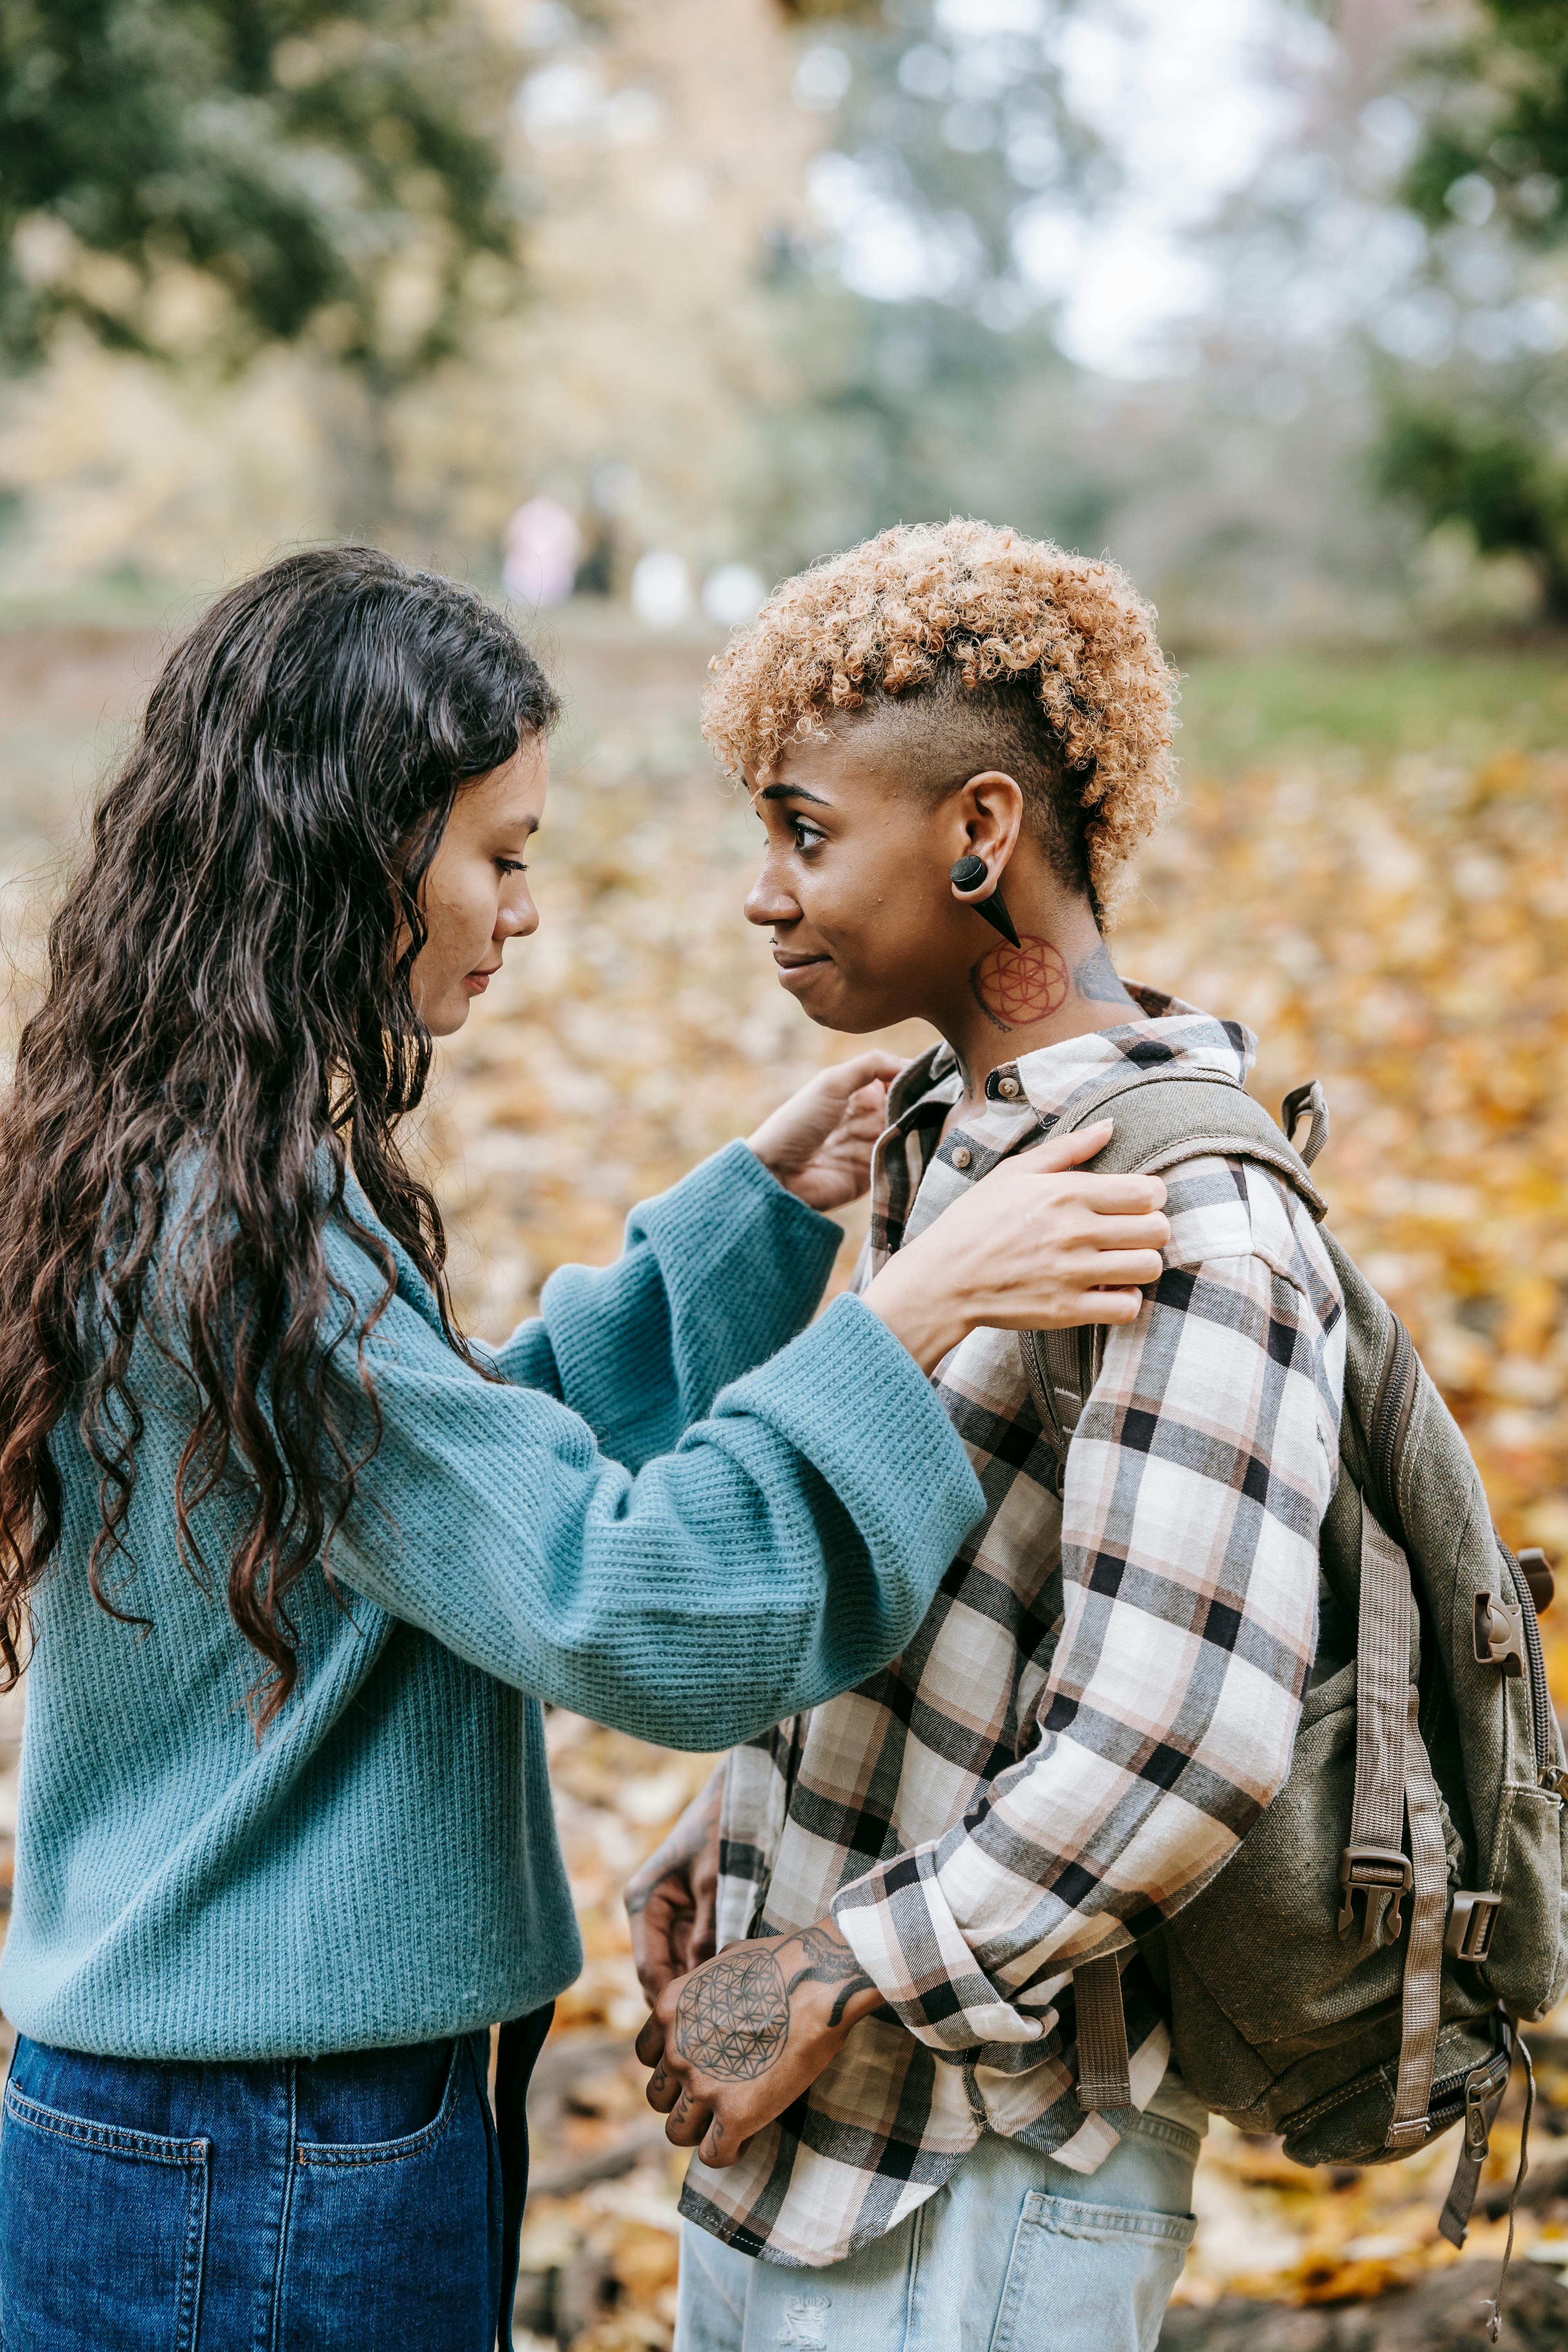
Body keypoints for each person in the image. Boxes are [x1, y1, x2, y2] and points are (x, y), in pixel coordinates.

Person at [0, 546, 1168, 2352]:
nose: (521, 907)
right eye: (500, 853)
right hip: (265, 2167)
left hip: (207, 2133)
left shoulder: (176, 1156)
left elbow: (438, 1477)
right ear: (351, 850)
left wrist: (744, 1220)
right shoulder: (248, 1235)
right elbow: (630, 1601)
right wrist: (901, 1319)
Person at [630, 521, 1346, 2352]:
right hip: (816, 2152)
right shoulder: (962, 1138)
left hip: (992, 2177)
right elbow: (942, 1561)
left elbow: (1182, 1736)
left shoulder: (1189, 1219)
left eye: (803, 831)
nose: (763, 894)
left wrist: (829, 1969)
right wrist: (742, 1825)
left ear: (977, 833)